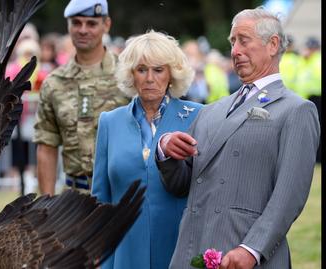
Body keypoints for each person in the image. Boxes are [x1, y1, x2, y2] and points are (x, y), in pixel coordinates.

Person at [156, 7, 320, 269]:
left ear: (272, 45)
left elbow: (289, 195)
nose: (234, 51)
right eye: (232, 42)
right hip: (190, 253)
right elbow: (181, 183)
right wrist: (165, 150)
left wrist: (252, 248)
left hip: (244, 255)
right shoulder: (211, 111)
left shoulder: (296, 110)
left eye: (243, 40)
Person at [91, 30, 202, 269]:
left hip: (180, 249)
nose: (150, 78)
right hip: (124, 253)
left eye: (158, 69)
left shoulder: (198, 116)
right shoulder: (110, 122)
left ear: (172, 74)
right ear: (131, 75)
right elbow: (101, 199)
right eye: (142, 70)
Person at [33, 0, 130, 195]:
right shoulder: (54, 83)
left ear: (106, 25)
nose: (83, 30)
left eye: (91, 23)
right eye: (76, 23)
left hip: (122, 198)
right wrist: (47, 205)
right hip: (75, 201)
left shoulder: (128, 75)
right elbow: (46, 146)